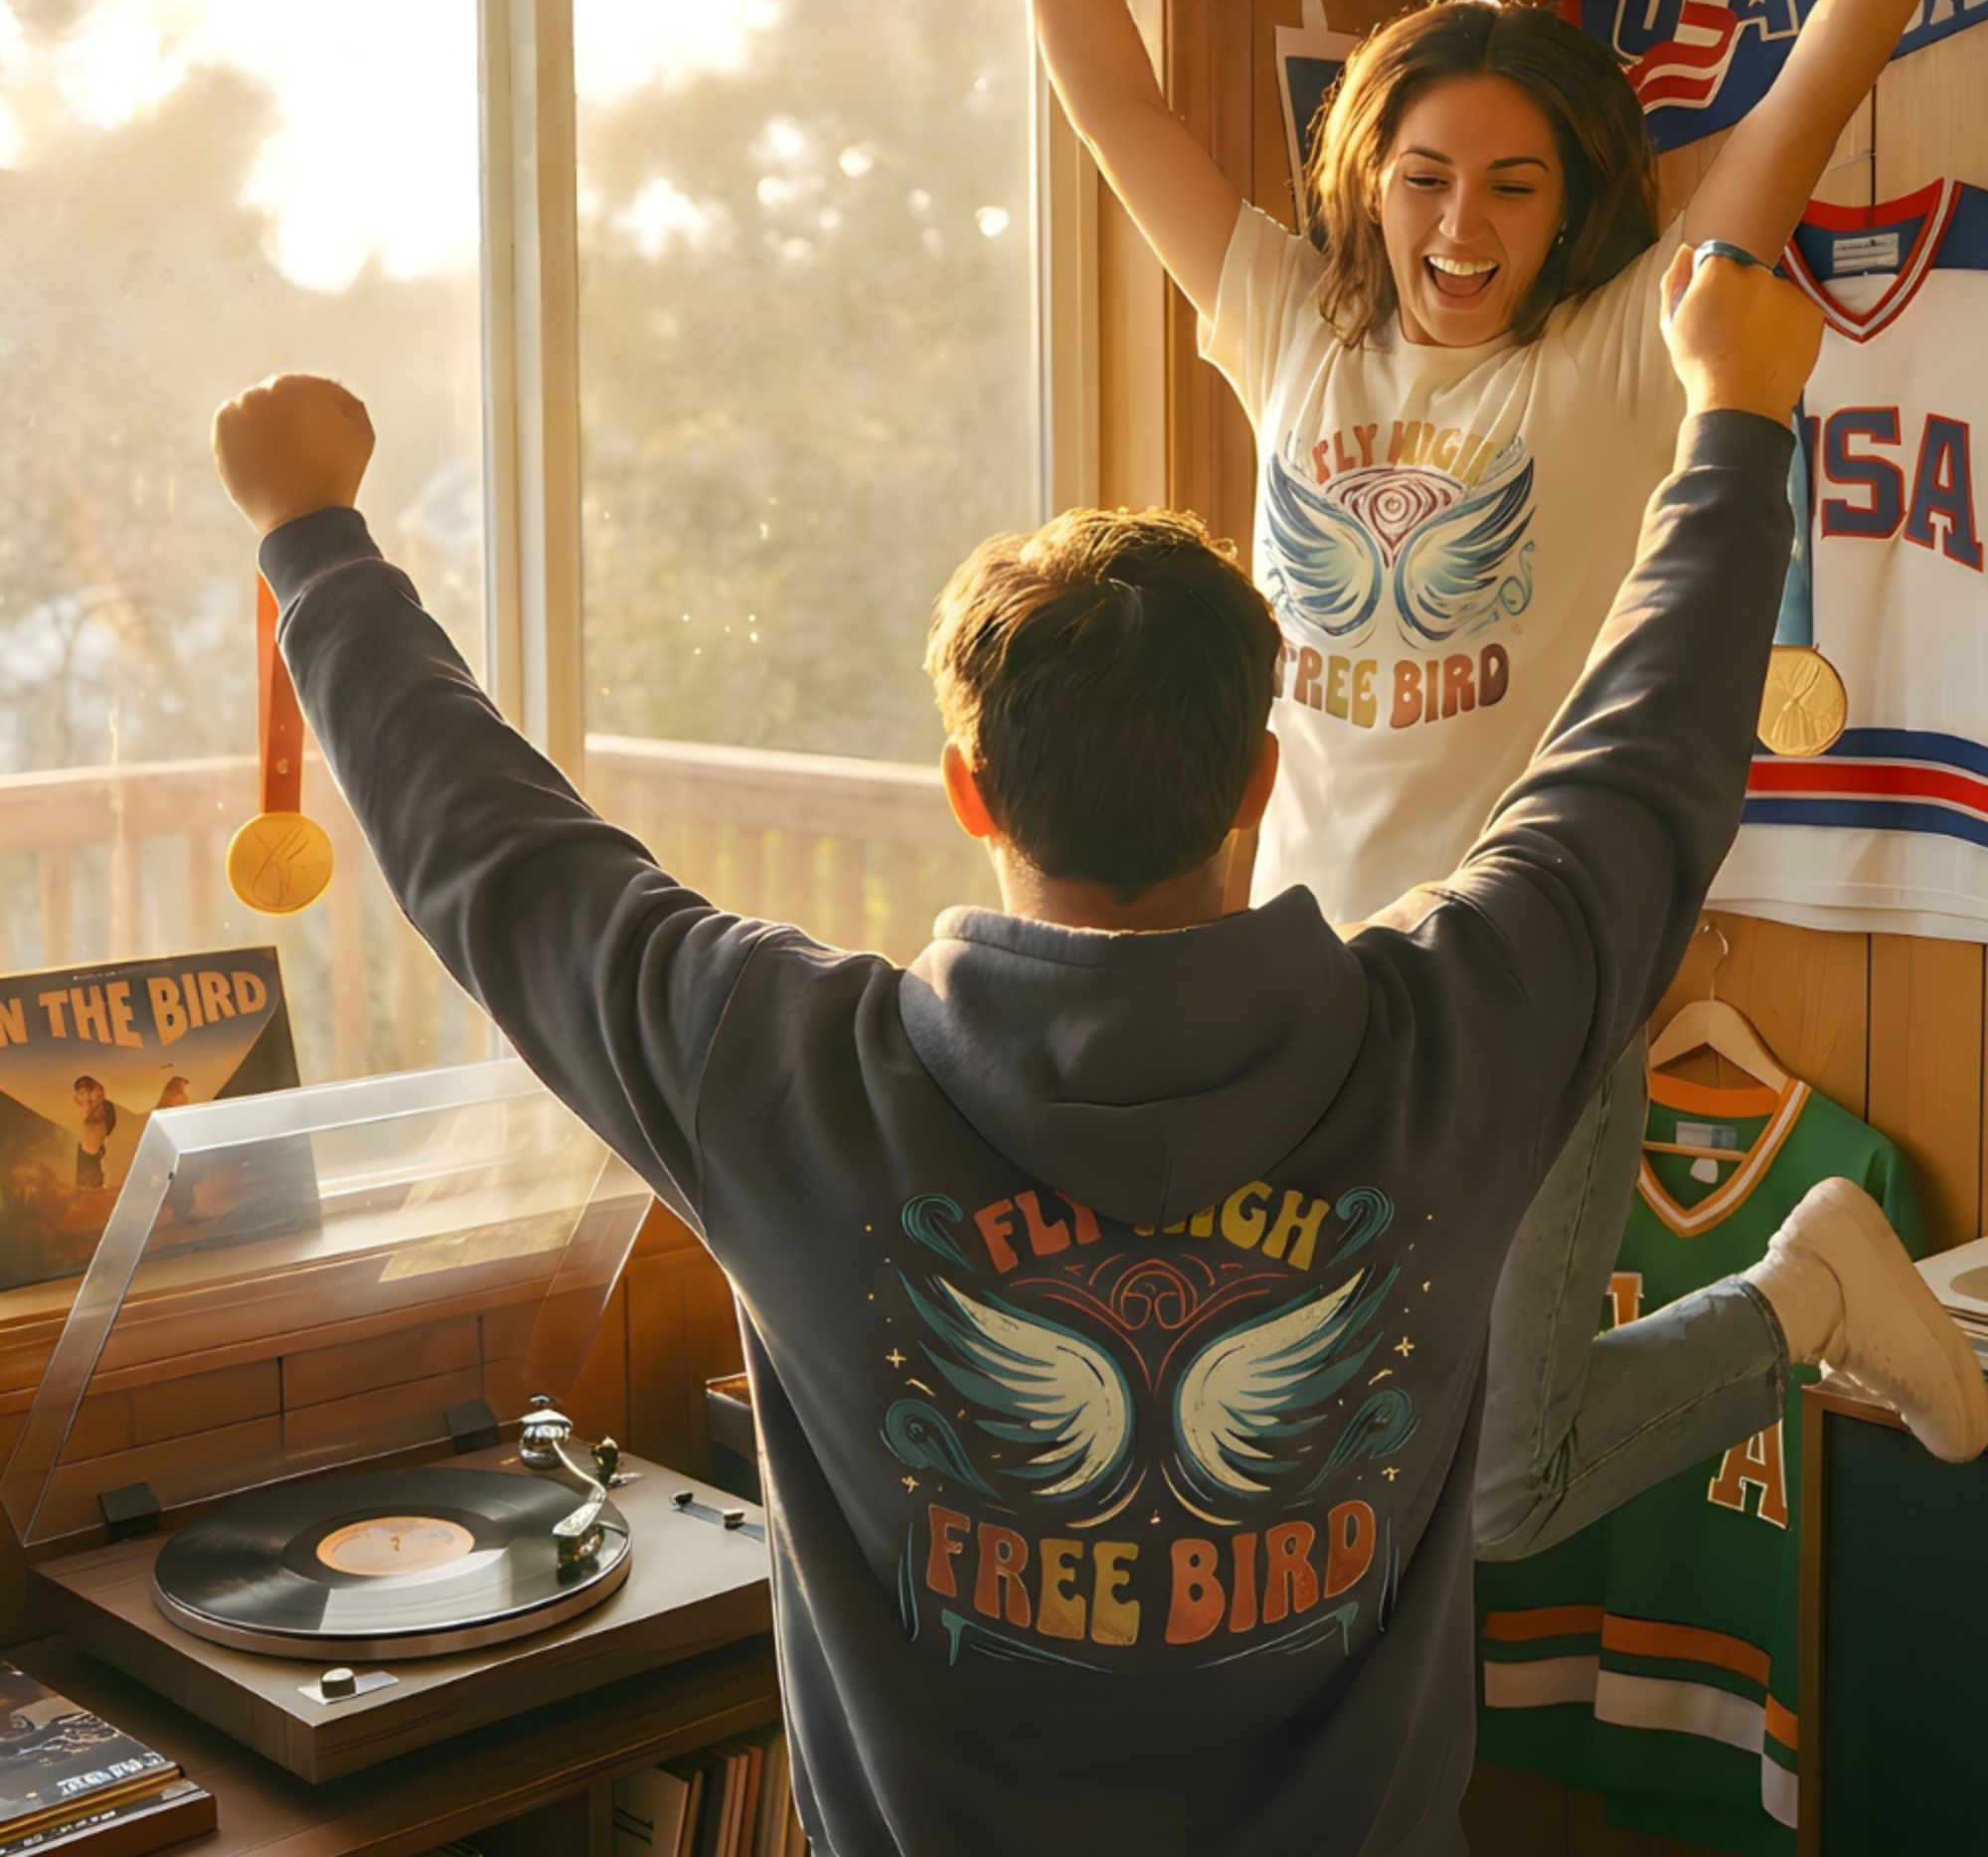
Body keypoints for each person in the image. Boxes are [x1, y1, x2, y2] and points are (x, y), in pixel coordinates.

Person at [210, 254, 1983, 1856]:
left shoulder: (779, 1072)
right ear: (1260, 782)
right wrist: (1739, 418)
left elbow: (497, 858)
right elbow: (1647, 767)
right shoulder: (1460, 1030)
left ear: (970, 790)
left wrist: (315, 541)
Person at [1004, 0, 1988, 1555]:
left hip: (1542, 976)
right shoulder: (1291, 326)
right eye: (1427, 179)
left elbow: (1818, 76)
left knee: (1507, 1490)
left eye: (1513, 189)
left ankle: (1809, 1290)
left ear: (1572, 202)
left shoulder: (1622, 344)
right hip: (1310, 997)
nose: (1463, 230)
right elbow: (1108, 91)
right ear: (1370, 184)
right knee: (1319, 1451)